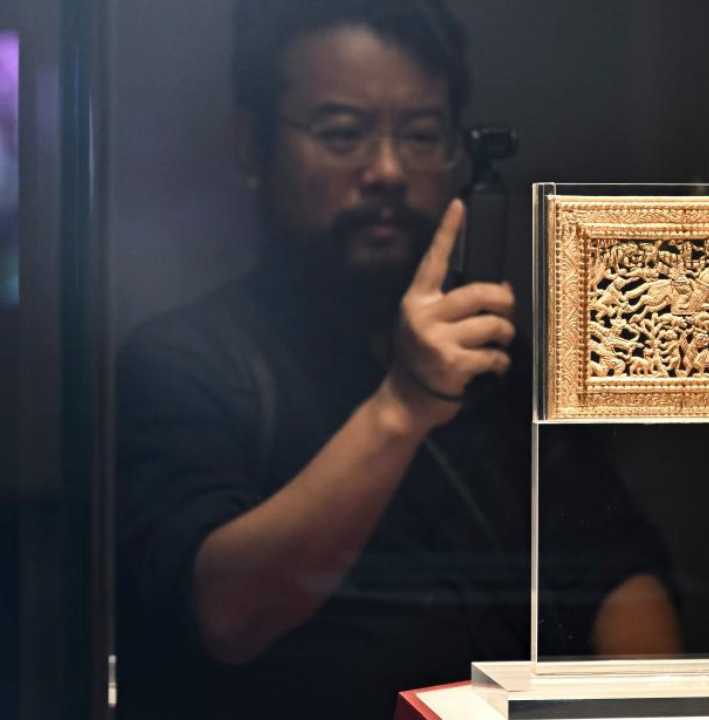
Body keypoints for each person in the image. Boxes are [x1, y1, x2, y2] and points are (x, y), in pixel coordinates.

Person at [114, 1, 680, 718]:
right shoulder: (183, 361)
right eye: (343, 134)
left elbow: (619, 571)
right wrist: (403, 405)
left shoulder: (492, 360)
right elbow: (228, 613)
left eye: (420, 135)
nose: (386, 170)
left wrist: (645, 707)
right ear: (253, 145)